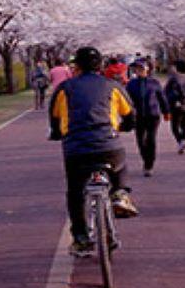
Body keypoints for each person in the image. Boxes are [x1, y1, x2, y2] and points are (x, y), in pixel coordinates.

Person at [48, 45, 140, 257]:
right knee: (120, 162)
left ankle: (81, 238)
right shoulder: (112, 85)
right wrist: (126, 126)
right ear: (100, 66)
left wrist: (56, 133)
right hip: (108, 144)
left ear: (76, 66)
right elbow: (130, 113)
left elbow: (54, 119)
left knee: (75, 192)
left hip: (76, 148)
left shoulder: (65, 88)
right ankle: (120, 193)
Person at [123, 59, 167, 176]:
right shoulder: (131, 84)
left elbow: (162, 98)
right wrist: (126, 115)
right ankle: (145, 160)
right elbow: (126, 101)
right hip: (138, 116)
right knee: (141, 141)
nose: (138, 71)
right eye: (136, 69)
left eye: (141, 68)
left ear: (147, 69)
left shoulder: (154, 83)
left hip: (153, 115)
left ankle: (149, 165)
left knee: (151, 139)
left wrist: (166, 111)